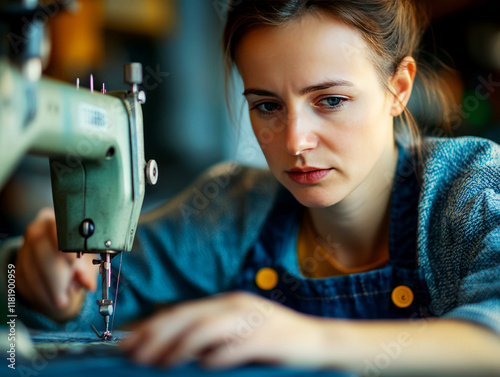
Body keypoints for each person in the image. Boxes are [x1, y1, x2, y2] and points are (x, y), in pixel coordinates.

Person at [2, 0, 500, 374]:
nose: (294, 141)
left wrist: (308, 340)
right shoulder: (230, 209)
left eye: (329, 101)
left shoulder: (470, 188)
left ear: (400, 87)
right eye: (266, 105)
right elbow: (98, 291)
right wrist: (49, 286)